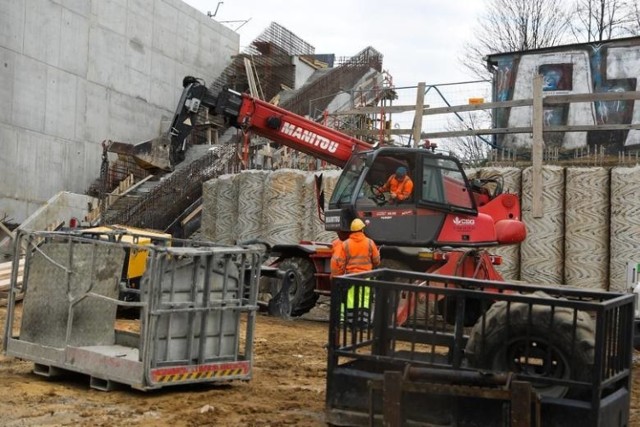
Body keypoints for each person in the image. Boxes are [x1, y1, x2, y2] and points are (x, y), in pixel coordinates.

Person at [330, 218, 381, 326]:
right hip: (366, 276)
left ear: (352, 231)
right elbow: (376, 260)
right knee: (365, 299)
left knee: (351, 300)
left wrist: (336, 276)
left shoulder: (346, 244)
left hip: (351, 277)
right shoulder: (370, 243)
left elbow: (339, 261)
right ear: (362, 229)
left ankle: (351, 323)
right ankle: (363, 323)